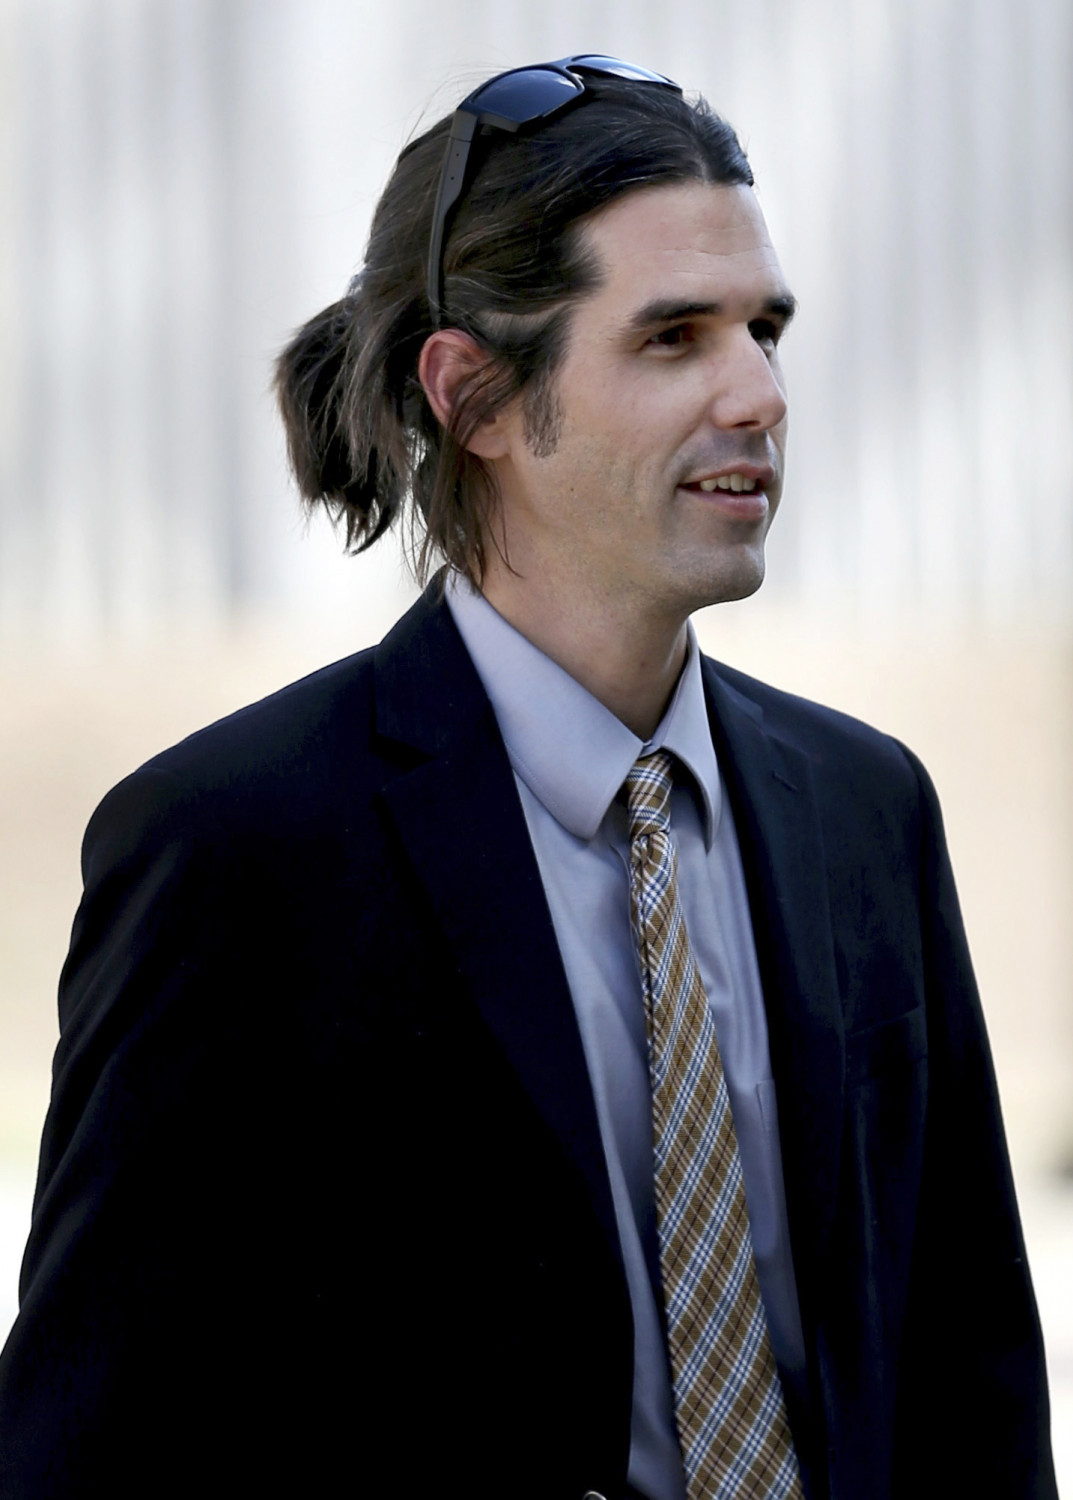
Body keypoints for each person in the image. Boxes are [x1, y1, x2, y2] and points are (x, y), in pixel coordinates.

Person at [0, 55, 1056, 1500]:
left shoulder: (864, 807)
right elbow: (92, 1446)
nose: (756, 391)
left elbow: (971, 1383)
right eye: (673, 336)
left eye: (764, 328)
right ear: (474, 394)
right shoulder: (234, 850)